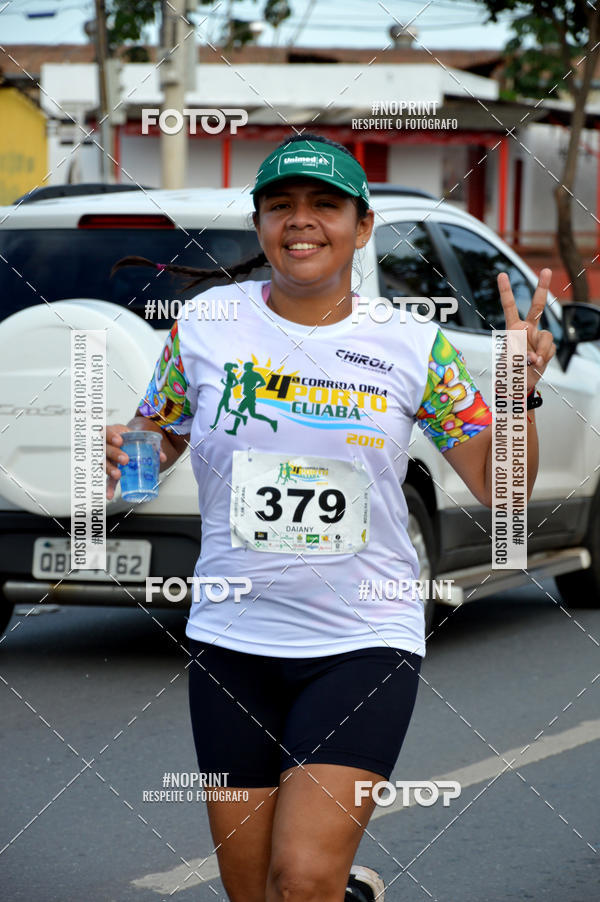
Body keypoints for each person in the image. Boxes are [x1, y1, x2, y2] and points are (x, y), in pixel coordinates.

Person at [105, 134, 556, 902]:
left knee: (302, 878)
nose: (301, 221)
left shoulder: (414, 343)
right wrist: (129, 452)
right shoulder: (208, 323)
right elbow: (166, 433)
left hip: (362, 641)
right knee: (255, 894)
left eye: (324, 205)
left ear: (362, 224)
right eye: (281, 205)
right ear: (259, 224)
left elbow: (503, 490)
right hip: (232, 639)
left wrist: (513, 389)